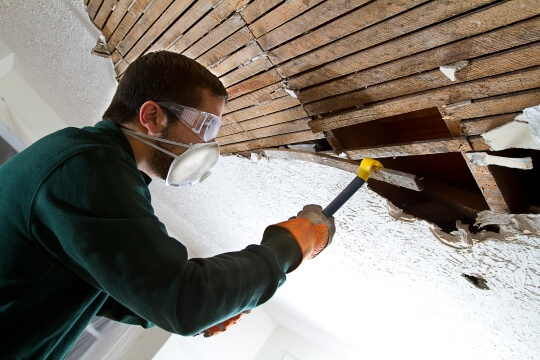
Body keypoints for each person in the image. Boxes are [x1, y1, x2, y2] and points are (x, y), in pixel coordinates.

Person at [0, 51, 335, 359]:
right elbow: (184, 300)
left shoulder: (85, 160)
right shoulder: (87, 167)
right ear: (151, 115)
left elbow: (114, 284)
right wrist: (290, 243)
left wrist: (206, 312)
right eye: (206, 126)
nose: (208, 143)